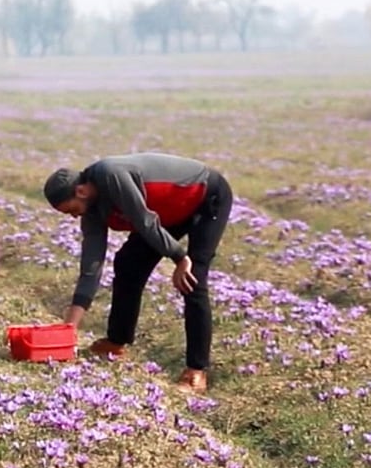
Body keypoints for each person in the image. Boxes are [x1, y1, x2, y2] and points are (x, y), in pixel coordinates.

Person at [42, 152, 233, 394]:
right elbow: (91, 266)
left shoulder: (111, 175)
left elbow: (144, 221)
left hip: (205, 197)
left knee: (193, 277)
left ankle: (197, 370)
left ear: (80, 191)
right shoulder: (92, 210)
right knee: (128, 263)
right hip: (170, 212)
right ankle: (116, 342)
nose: (74, 215)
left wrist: (179, 257)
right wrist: (68, 329)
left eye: (71, 210)